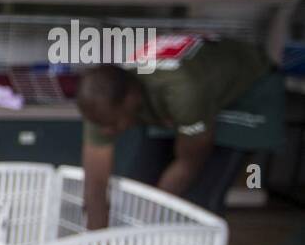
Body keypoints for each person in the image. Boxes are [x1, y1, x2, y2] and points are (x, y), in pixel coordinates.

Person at [76, 39, 280, 230]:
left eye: (112, 124)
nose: (106, 131)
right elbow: (95, 184)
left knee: (198, 203)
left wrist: (145, 223)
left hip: (245, 87)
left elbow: (188, 164)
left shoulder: (183, 92)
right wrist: (99, 241)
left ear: (131, 100)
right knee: (136, 191)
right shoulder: (100, 100)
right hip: (178, 98)